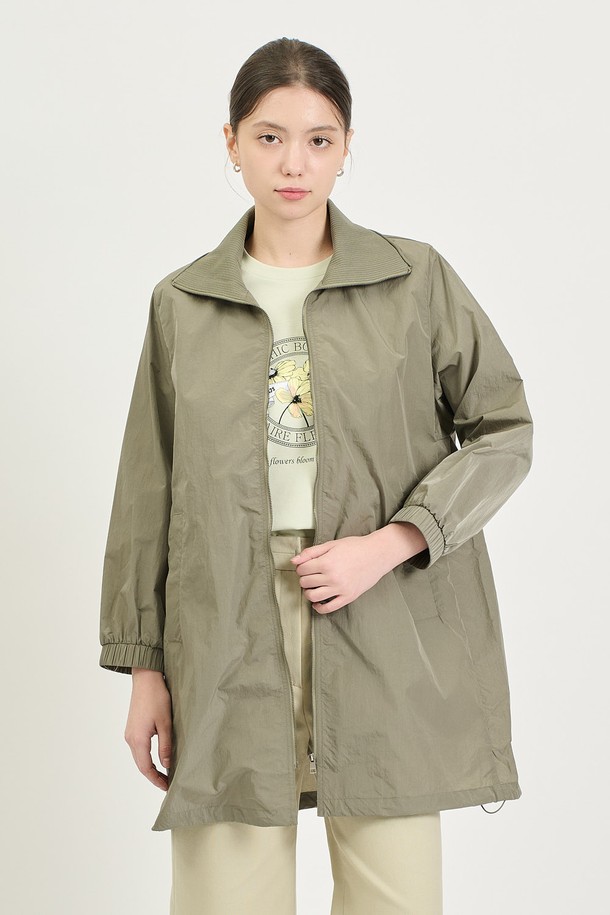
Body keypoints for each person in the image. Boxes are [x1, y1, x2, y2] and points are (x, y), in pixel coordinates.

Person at [99, 37, 534, 915]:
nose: (294, 163)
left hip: (382, 609)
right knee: (224, 897)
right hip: (223, 622)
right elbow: (149, 489)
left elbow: (504, 430)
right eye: (269, 137)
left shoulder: (413, 280)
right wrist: (145, 667)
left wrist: (396, 540)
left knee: (395, 898)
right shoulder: (182, 301)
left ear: (346, 148)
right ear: (231, 143)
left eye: (319, 139)